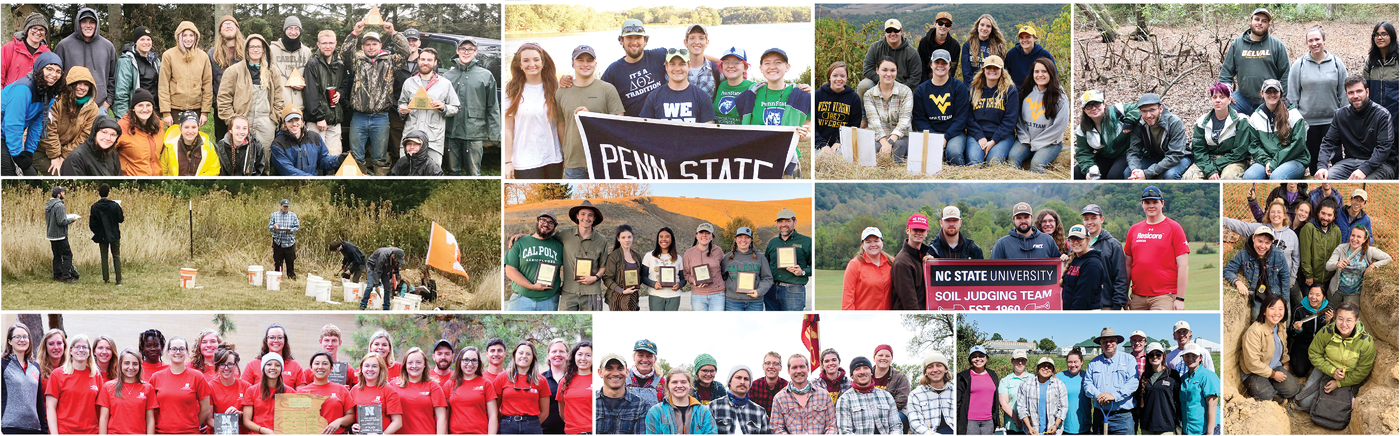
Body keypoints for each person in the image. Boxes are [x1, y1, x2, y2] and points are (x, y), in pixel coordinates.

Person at [339, 21, 412, 176]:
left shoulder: (390, 61)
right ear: (363, 47)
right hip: (359, 117)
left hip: (381, 117)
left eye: (374, 43)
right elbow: (344, 53)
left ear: (380, 45)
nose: (371, 47)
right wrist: (355, 34)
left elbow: (406, 51)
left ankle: (380, 181)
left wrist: (393, 33)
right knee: (356, 156)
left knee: (380, 157)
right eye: (367, 44)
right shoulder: (356, 62)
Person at [736, 48, 812, 175]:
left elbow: (808, 134)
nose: (772, 67)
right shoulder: (750, 94)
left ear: (787, 67)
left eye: (778, 62)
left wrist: (802, 134)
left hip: (786, 159)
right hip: (755, 157)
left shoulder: (801, 96)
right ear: (761, 68)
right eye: (767, 63)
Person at [1293, 302, 1375, 415]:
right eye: (1340, 319)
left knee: (1334, 409)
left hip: (1348, 376)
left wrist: (1339, 383)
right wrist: (1331, 370)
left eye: (1349, 320)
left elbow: (1362, 371)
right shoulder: (1326, 331)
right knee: (1304, 403)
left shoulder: (1366, 342)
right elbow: (1313, 353)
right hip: (1325, 368)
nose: (1344, 324)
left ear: (1357, 320)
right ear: (1335, 318)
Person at [1288, 27, 1348, 174]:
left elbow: (1344, 94)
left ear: (1324, 41)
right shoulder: (1299, 65)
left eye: (1317, 39)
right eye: (1311, 40)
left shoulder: (1336, 63)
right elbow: (1292, 96)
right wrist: (1293, 121)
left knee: (1337, 157)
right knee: (1313, 158)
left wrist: (1346, 118)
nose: (1314, 43)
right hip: (1308, 122)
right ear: (1307, 43)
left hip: (1332, 121)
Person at [557, 45, 623, 178]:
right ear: (573, 63)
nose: (585, 64)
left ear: (595, 64)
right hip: (574, 163)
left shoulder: (608, 89)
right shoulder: (561, 92)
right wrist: (565, 152)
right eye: (580, 60)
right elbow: (561, 124)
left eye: (589, 60)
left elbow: (619, 123)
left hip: (603, 160)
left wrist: (591, 118)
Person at [1316, 76, 1396, 180]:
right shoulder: (1340, 115)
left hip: (1381, 164)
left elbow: (1383, 149)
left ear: (1367, 92)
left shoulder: (1382, 115)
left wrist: (1364, 170)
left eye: (1359, 91)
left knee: (1364, 183)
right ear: (1346, 95)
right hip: (1350, 162)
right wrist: (1322, 166)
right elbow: (1329, 143)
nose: (1355, 96)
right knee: (1328, 177)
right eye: (1351, 92)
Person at [1125, 186, 1191, 310]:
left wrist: (1180, 298)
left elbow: (1183, 265)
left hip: (1164, 296)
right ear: (1142, 204)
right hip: (1137, 296)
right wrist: (1124, 294)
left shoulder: (1174, 228)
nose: (1151, 206)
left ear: (1162, 203)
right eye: (1147, 202)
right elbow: (1127, 264)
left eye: (1155, 202)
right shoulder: (1134, 229)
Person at [504, 43, 563, 179]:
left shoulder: (556, 87)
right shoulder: (512, 89)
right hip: (525, 161)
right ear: (519, 65)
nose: (532, 64)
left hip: (553, 159)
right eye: (526, 60)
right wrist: (507, 162)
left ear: (543, 62)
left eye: (536, 59)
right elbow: (507, 128)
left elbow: (563, 121)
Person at [217, 33, 284, 151]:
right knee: (239, 156)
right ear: (246, 49)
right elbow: (223, 98)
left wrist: (274, 118)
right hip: (241, 121)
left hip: (265, 122)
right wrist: (232, 120)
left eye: (258, 47)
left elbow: (279, 97)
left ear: (264, 50)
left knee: (264, 156)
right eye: (252, 47)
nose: (255, 50)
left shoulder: (273, 71)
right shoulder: (233, 71)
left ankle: (264, 171)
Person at [1219, 8, 1291, 115]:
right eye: (1257, 19)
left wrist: (1282, 97)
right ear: (1251, 21)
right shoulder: (1237, 44)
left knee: (1280, 123)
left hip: (1269, 98)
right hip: (1243, 98)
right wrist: (1225, 94)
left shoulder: (1277, 45)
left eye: (1264, 21)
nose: (1260, 23)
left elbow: (1286, 73)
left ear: (1269, 25)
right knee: (1222, 109)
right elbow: (1226, 72)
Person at [444, 37, 499, 176]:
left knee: (474, 172)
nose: (466, 52)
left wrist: (495, 133)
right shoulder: (447, 76)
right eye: (463, 49)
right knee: (452, 171)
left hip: (474, 132)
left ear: (476, 52)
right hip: (451, 131)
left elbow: (493, 106)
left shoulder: (486, 75)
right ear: (457, 51)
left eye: (470, 49)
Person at [3, 52, 63, 176]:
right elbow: (13, 123)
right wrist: (17, 154)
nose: (54, 74)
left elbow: (38, 122)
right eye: (49, 69)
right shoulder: (23, 89)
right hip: (4, 132)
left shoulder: (48, 91)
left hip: (7, 134)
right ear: (39, 69)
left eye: (58, 71)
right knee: (8, 171)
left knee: (30, 173)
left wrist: (29, 151)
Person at [397, 48, 459, 166]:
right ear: (418, 61)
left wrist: (443, 107)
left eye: (429, 60)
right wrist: (403, 110)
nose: (425, 62)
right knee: (406, 171)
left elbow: (455, 107)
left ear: (435, 62)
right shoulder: (409, 82)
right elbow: (401, 103)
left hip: (433, 139)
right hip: (411, 137)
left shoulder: (445, 84)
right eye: (422, 59)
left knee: (432, 173)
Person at [912, 50, 972, 165]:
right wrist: (935, 138)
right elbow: (919, 119)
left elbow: (961, 118)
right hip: (929, 132)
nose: (940, 66)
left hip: (953, 133)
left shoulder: (959, 87)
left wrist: (945, 138)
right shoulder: (921, 90)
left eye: (944, 63)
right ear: (931, 65)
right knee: (921, 156)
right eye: (937, 62)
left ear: (950, 65)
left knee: (954, 152)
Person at [38, 66, 100, 175]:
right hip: (41, 148)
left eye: (86, 84)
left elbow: (85, 136)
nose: (82, 87)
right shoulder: (56, 100)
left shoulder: (92, 108)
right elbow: (48, 129)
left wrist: (64, 156)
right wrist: (55, 156)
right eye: (78, 83)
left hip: (67, 151)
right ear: (71, 84)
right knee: (58, 174)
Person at [53, 7, 115, 115]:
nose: (88, 26)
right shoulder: (64, 46)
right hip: (69, 106)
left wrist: (107, 103)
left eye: (92, 22)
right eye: (84, 22)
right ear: (78, 23)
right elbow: (56, 76)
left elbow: (113, 77)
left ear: (97, 24)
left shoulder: (108, 47)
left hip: (99, 106)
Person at [1009, 58, 1067, 172]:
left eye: (1044, 71)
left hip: (1050, 142)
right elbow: (1019, 120)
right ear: (1032, 74)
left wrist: (1037, 144)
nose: (1040, 75)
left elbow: (1060, 126)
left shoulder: (1060, 97)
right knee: (1012, 157)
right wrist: (1025, 138)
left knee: (1036, 164)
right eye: (1037, 71)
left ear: (1051, 73)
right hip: (1026, 140)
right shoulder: (1026, 92)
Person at [1244, 80, 1310, 180]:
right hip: (1267, 160)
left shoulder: (1293, 114)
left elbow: (1298, 145)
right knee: (1249, 176)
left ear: (1281, 93)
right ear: (1262, 94)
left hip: (1293, 159)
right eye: (1268, 91)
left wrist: (1274, 163)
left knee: (1277, 177)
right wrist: (1267, 162)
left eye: (1275, 91)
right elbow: (1254, 145)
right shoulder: (1256, 117)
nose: (1272, 95)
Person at [1241, 293, 1300, 403]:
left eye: (1280, 309)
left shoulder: (1281, 325)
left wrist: (1285, 363)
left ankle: (1273, 388)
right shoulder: (1254, 332)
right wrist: (1273, 375)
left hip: (1274, 366)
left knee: (1294, 389)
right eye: (1272, 308)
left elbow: (1284, 347)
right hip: (1254, 372)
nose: (1277, 313)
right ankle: (1274, 396)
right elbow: (1252, 363)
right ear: (1264, 311)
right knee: (1267, 397)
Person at [1225, 197, 1300, 283]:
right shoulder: (1260, 228)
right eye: (1272, 212)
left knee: (1296, 296)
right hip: (1264, 279)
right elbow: (1242, 226)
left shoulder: (1292, 235)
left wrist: (1292, 278)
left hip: (1284, 280)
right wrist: (1223, 220)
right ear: (1268, 214)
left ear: (1284, 215)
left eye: (1279, 212)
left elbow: (1296, 258)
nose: (1276, 215)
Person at [1185, 83, 1251, 180]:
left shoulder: (1241, 120)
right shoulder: (1202, 122)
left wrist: (1215, 167)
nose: (1218, 100)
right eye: (1214, 97)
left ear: (1229, 100)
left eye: (1222, 97)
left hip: (1234, 160)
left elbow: (1240, 152)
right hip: (1208, 159)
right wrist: (1209, 169)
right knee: (1189, 177)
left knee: (1229, 176)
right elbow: (1198, 150)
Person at [149, 337, 212, 434]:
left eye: (182, 349)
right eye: (174, 349)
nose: (178, 352)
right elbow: (149, 410)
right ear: (168, 352)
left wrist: (192, 426)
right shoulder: (156, 377)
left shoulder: (197, 377)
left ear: (187, 352)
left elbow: (206, 409)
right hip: (161, 433)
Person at [639, 46, 716, 124]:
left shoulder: (702, 97)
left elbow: (708, 130)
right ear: (666, 66)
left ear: (689, 66)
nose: (677, 69)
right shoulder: (654, 97)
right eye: (672, 64)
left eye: (682, 64)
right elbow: (645, 129)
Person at [158, 21, 213, 129]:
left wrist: (205, 111)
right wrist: (166, 112)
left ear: (196, 37)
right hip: (175, 108)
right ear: (179, 37)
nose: (188, 39)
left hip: (195, 108)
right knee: (175, 141)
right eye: (185, 35)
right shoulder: (168, 55)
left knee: (192, 139)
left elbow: (207, 84)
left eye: (191, 35)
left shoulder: (203, 57)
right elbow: (163, 85)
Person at [1083, 328, 1138, 435]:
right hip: (1100, 415)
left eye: (1112, 340)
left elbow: (1133, 382)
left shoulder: (1129, 360)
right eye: (1105, 341)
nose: (1108, 344)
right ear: (1100, 344)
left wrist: (1114, 396)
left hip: (1122, 418)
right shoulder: (1093, 363)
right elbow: (1087, 383)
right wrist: (1098, 395)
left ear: (1117, 342)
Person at [967, 55, 1020, 165]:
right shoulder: (973, 89)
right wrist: (979, 136)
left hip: (1002, 137)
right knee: (974, 162)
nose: (992, 70)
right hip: (977, 135)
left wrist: (993, 141)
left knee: (994, 162)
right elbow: (968, 117)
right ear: (983, 70)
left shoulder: (1010, 91)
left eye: (996, 68)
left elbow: (1010, 121)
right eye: (988, 67)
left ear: (1001, 70)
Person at [43, 334, 101, 435]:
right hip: (65, 432)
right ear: (70, 351)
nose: (81, 350)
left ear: (89, 352)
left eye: (85, 347)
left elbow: (100, 410)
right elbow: (50, 407)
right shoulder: (57, 374)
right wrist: (54, 434)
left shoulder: (95, 375)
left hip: (91, 432)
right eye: (77, 346)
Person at [1074, 90, 1139, 179]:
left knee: (1114, 176)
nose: (1093, 108)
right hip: (1105, 156)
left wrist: (1129, 121)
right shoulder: (1082, 128)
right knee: (1077, 172)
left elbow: (1138, 107)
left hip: (1126, 152)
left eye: (1097, 104)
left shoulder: (1118, 111)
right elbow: (1083, 152)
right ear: (1084, 109)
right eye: (1088, 106)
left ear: (1104, 104)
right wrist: (1090, 168)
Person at [506, 211, 564, 310]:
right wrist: (532, 286)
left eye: (551, 222)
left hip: (549, 300)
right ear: (537, 221)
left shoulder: (560, 246)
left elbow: (570, 267)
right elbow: (510, 270)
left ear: (555, 226)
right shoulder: (519, 242)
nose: (546, 224)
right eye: (543, 220)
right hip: (521, 299)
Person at [1126, 93, 1191, 180]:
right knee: (1128, 173)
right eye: (1144, 111)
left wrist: (1147, 173)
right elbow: (1133, 151)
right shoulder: (1139, 125)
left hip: (1180, 157)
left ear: (1160, 109)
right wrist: (1135, 170)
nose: (1148, 115)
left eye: (1152, 110)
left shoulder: (1174, 122)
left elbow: (1175, 154)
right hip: (1154, 157)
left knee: (1170, 175)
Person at [558, 201, 608, 311]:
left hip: (592, 292)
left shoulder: (602, 241)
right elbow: (544, 238)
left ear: (594, 218)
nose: (586, 218)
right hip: (569, 291)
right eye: (583, 214)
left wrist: (595, 277)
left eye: (590, 215)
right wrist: (525, 236)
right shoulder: (565, 235)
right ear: (577, 216)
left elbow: (603, 266)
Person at [769, 354, 836, 434]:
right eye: (794, 367)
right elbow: (776, 428)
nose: (799, 371)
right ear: (788, 371)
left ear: (808, 369)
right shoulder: (779, 398)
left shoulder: (824, 395)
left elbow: (832, 426)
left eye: (802, 366)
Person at [302, 29, 345, 156]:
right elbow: (310, 93)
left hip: (335, 119)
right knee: (315, 155)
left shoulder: (340, 65)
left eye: (331, 43)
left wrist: (340, 93)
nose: (328, 46)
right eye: (324, 43)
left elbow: (344, 84)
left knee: (334, 155)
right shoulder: (312, 64)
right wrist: (319, 117)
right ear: (318, 44)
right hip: (317, 121)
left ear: (336, 43)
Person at [855, 18, 922, 97]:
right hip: (878, 82)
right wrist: (884, 82)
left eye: (896, 30)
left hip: (902, 86)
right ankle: (862, 109)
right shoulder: (875, 47)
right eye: (889, 31)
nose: (893, 34)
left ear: (901, 31)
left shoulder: (911, 52)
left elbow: (915, 76)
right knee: (864, 85)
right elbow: (867, 69)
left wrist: (900, 89)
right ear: (885, 32)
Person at [1326, 226, 1392, 307]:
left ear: (1364, 240)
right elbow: (1328, 266)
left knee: (1349, 316)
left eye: (1359, 237)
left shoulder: (1369, 251)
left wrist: (1372, 266)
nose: (1354, 239)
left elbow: (1388, 259)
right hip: (1336, 290)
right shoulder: (1341, 248)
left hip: (1354, 293)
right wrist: (1336, 264)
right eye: (1353, 235)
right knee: (1331, 314)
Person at [864, 57, 914, 162]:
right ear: (877, 70)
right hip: (879, 137)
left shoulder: (905, 91)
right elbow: (873, 121)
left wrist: (890, 141)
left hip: (900, 137)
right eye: (884, 70)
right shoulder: (869, 95)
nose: (889, 74)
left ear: (896, 71)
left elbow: (905, 121)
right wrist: (884, 142)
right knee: (875, 149)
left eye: (892, 70)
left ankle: (898, 173)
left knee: (898, 148)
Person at [269, 105, 344, 176]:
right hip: (290, 184)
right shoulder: (278, 144)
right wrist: (311, 178)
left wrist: (338, 160)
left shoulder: (315, 137)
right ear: (284, 123)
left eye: (297, 120)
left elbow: (323, 160)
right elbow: (288, 170)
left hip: (312, 182)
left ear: (302, 121)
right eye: (290, 121)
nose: (294, 123)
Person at [834, 356, 901, 434]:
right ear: (852, 375)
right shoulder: (844, 400)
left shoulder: (886, 396)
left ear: (871, 372)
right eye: (857, 369)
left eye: (866, 368)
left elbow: (896, 426)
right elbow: (845, 432)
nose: (862, 372)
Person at [496, 342, 552, 434]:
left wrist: (531, 424)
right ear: (514, 355)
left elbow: (545, 412)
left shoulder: (541, 380)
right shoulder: (502, 377)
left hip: (532, 426)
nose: (524, 356)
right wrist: (506, 422)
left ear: (533, 358)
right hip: (508, 426)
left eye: (528, 354)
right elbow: (495, 407)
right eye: (521, 353)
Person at [642, 367, 716, 434]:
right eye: (674, 382)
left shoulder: (704, 412)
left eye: (683, 382)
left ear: (690, 385)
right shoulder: (656, 412)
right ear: (668, 385)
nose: (679, 385)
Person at [391, 348, 448, 435]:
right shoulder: (393, 386)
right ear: (405, 365)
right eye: (410, 363)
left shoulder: (434, 386)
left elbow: (441, 418)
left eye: (418, 362)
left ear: (424, 364)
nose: (414, 366)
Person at [98, 349, 156, 434]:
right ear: (120, 364)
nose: (131, 367)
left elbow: (150, 420)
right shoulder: (108, 387)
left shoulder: (148, 388)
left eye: (135, 364)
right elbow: (104, 418)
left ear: (140, 366)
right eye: (127, 363)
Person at [596, 352, 655, 434]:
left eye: (620, 369)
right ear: (600, 372)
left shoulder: (641, 406)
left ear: (627, 372)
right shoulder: (590, 401)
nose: (615, 373)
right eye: (609, 368)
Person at [297, 351, 355, 434]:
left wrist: (339, 421)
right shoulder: (302, 392)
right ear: (311, 367)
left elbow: (351, 416)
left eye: (325, 363)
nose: (320, 367)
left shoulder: (341, 389)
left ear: (331, 368)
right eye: (317, 363)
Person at [2, 323, 45, 434]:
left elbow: (39, 400)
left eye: (25, 336)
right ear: (9, 341)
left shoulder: (35, 367)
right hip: (9, 427)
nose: (22, 340)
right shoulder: (3, 364)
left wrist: (44, 429)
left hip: (34, 429)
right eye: (18, 337)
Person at [446, 346, 500, 434]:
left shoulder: (486, 384)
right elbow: (444, 417)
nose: (470, 364)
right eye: (466, 360)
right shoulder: (450, 384)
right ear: (460, 361)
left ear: (478, 363)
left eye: (474, 360)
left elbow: (493, 416)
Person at [207, 16, 245, 141]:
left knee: (244, 142)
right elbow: (208, 81)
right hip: (221, 108)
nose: (228, 26)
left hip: (243, 107)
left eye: (231, 24)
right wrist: (215, 103)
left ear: (237, 28)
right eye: (225, 24)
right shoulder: (212, 54)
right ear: (220, 30)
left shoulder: (247, 51)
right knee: (223, 143)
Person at [814, 60, 863, 153]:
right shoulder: (817, 95)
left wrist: (840, 141)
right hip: (818, 144)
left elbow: (854, 125)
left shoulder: (854, 98)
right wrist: (822, 144)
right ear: (829, 77)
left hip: (841, 145)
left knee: (840, 154)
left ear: (847, 78)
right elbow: (813, 125)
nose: (839, 79)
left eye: (842, 76)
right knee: (819, 155)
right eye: (835, 75)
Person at [349, 352, 404, 434]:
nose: (370, 369)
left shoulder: (389, 390)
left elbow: (397, 422)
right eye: (367, 366)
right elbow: (351, 418)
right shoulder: (354, 390)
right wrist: (353, 427)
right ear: (362, 368)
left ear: (380, 369)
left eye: (374, 366)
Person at [1299, 198, 1344, 299]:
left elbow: (1338, 254)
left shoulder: (1336, 231)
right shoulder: (1309, 228)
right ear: (1318, 212)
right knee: (1310, 305)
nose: (1325, 217)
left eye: (1329, 215)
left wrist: (1334, 273)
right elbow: (1305, 254)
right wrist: (1308, 275)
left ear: (1334, 216)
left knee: (1323, 305)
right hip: (1311, 279)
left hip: (1328, 279)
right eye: (1323, 213)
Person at [113, 26, 160, 120]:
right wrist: (124, 119)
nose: (146, 42)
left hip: (153, 111)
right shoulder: (127, 61)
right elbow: (121, 93)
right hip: (136, 111)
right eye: (142, 39)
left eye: (148, 39)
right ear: (136, 42)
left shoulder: (156, 61)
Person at [114, 88, 164, 175]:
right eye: (140, 105)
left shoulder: (159, 125)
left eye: (148, 105)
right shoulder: (122, 126)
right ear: (133, 108)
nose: (145, 109)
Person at [723, 227, 774, 311]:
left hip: (755, 302)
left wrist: (759, 291)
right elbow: (722, 277)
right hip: (733, 302)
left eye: (747, 237)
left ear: (751, 240)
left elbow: (768, 278)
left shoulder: (760, 258)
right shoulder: (727, 258)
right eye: (740, 237)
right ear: (735, 239)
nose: (743, 240)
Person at [240, 324, 304, 390]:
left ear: (285, 340)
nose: (276, 341)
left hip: (285, 400)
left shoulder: (295, 366)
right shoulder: (252, 364)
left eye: (280, 337)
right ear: (266, 340)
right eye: (271, 337)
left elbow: (300, 396)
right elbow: (245, 391)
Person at [707, 364, 766, 434]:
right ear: (730, 381)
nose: (742, 382)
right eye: (738, 378)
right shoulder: (713, 407)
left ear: (750, 384)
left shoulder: (760, 412)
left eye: (746, 379)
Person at [269, 16, 312, 113]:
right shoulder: (272, 50)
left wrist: (306, 82)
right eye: (290, 28)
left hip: (300, 107)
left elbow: (311, 77)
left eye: (296, 29)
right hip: (278, 106)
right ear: (285, 30)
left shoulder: (307, 52)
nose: (293, 32)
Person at [1013, 357, 1066, 435]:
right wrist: (1029, 427)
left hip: (1053, 431)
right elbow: (1021, 407)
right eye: (1043, 365)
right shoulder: (1026, 383)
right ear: (1038, 368)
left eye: (1049, 366)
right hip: (1032, 430)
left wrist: (1056, 425)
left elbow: (1063, 407)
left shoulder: (1059, 384)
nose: (1046, 368)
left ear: (1052, 370)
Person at [843, 226, 893, 310]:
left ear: (882, 242)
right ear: (863, 245)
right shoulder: (854, 265)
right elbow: (847, 302)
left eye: (876, 241)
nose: (873, 245)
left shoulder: (892, 262)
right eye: (868, 242)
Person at [1136, 342, 1180, 434]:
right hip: (1147, 425)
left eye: (1158, 354)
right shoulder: (1145, 376)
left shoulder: (1172, 375)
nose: (1155, 357)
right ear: (1148, 358)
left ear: (1163, 355)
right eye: (1151, 355)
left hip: (1165, 425)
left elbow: (1178, 400)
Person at [1288, 286, 1333, 377]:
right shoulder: (1299, 309)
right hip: (1303, 343)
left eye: (1318, 295)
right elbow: (1291, 333)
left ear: (1324, 297)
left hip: (1322, 344)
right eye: (1311, 293)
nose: (1313, 297)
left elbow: (1335, 333)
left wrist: (1329, 323)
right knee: (1299, 371)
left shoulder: (1329, 310)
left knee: (1328, 369)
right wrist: (1298, 330)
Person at [991, 202, 1061, 259]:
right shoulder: (1002, 244)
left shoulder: (1048, 240)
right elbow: (993, 271)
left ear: (1032, 218)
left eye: (1026, 217)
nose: (1023, 221)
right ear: (1013, 220)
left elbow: (1058, 267)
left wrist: (1063, 258)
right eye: (1019, 218)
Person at [241, 352, 289, 435]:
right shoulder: (251, 390)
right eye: (269, 364)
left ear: (281, 369)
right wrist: (265, 431)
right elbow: (246, 421)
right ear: (263, 367)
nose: (273, 367)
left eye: (277, 365)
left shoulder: (290, 392)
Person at [1177, 343, 1220, 435]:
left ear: (1200, 358)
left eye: (1194, 356)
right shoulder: (1184, 378)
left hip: (1203, 429)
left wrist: (1210, 432)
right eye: (1187, 356)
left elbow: (1212, 405)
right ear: (1183, 357)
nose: (1190, 359)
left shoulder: (1207, 376)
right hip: (1188, 428)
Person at [907, 352, 954, 434]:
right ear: (925, 372)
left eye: (939, 365)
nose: (935, 370)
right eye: (930, 367)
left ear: (946, 369)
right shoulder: (915, 395)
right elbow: (915, 424)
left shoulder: (955, 391)